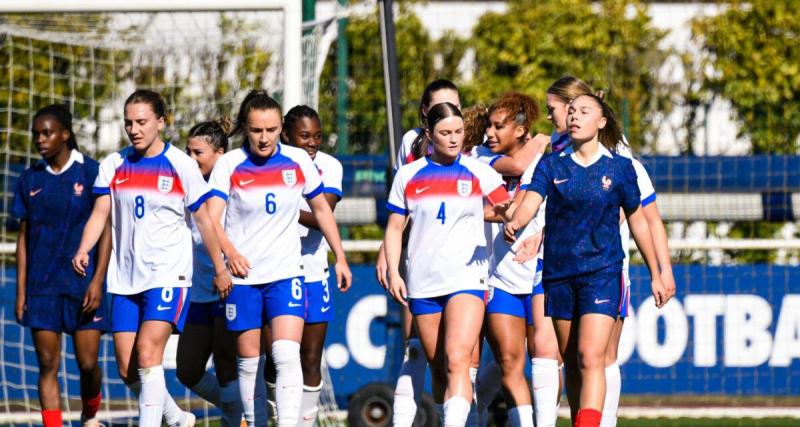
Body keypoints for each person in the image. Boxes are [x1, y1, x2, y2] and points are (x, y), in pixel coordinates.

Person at [516, 76, 677, 426]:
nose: (560, 117)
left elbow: (644, 219)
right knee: (573, 359)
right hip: (558, 272)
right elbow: (538, 205)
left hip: (605, 271)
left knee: (596, 356)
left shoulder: (621, 164)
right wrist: (526, 228)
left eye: (558, 109)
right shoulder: (552, 160)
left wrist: (660, 271)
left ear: (600, 119)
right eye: (566, 111)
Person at [73, 89, 232, 427]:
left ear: (161, 121)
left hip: (167, 277)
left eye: (142, 121)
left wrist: (221, 268)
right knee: (127, 368)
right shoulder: (113, 164)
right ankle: (177, 419)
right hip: (126, 279)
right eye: (129, 122)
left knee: (148, 355)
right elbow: (101, 214)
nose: (134, 129)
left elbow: (205, 220)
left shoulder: (181, 165)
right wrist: (83, 248)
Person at [206, 90, 352, 427]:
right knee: (250, 361)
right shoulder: (230, 164)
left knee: (287, 354)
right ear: (246, 128)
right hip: (244, 279)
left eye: (271, 130)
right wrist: (229, 254)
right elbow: (212, 218)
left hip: (287, 274)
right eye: (257, 130)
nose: (264, 137)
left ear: (279, 129)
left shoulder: (298, 162)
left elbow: (322, 211)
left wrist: (340, 256)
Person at [384, 102, 511, 427]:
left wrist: (520, 222)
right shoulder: (408, 175)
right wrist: (394, 270)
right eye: (445, 133)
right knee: (439, 367)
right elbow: (395, 227)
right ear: (429, 134)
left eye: (458, 132)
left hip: (467, 279)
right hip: (423, 283)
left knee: (458, 360)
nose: (454, 139)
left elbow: (509, 207)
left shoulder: (479, 171)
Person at [13, 104, 111, 427]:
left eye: (47, 133)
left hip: (82, 286)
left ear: (65, 134)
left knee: (87, 364)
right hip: (42, 290)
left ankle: (90, 415)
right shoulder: (30, 179)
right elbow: (24, 240)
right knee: (46, 365)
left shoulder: (92, 171)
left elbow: (105, 229)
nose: (40, 140)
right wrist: (21, 292)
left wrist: (97, 281)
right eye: (36, 134)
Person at [478, 92, 542, 427]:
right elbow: (517, 166)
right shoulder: (480, 159)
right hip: (499, 278)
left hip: (541, 276)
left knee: (547, 361)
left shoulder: (550, 162)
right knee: (508, 360)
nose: (489, 132)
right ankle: (475, 409)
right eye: (488, 124)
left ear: (519, 130)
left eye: (498, 126)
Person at [176, 118, 243, 426]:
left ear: (219, 154)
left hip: (229, 288)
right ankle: (242, 411)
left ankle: (241, 418)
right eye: (187, 152)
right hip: (197, 291)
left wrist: (226, 262)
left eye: (198, 153)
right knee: (187, 370)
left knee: (228, 365)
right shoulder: (185, 187)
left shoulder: (227, 189)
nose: (191, 159)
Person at [282, 105, 344, 425]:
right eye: (304, 136)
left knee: (310, 358)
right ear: (286, 135)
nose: (312, 142)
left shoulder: (330, 167)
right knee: (276, 358)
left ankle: (305, 421)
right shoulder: (268, 165)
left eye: (317, 136)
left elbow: (324, 216)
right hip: (274, 274)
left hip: (312, 273)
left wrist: (282, 208)